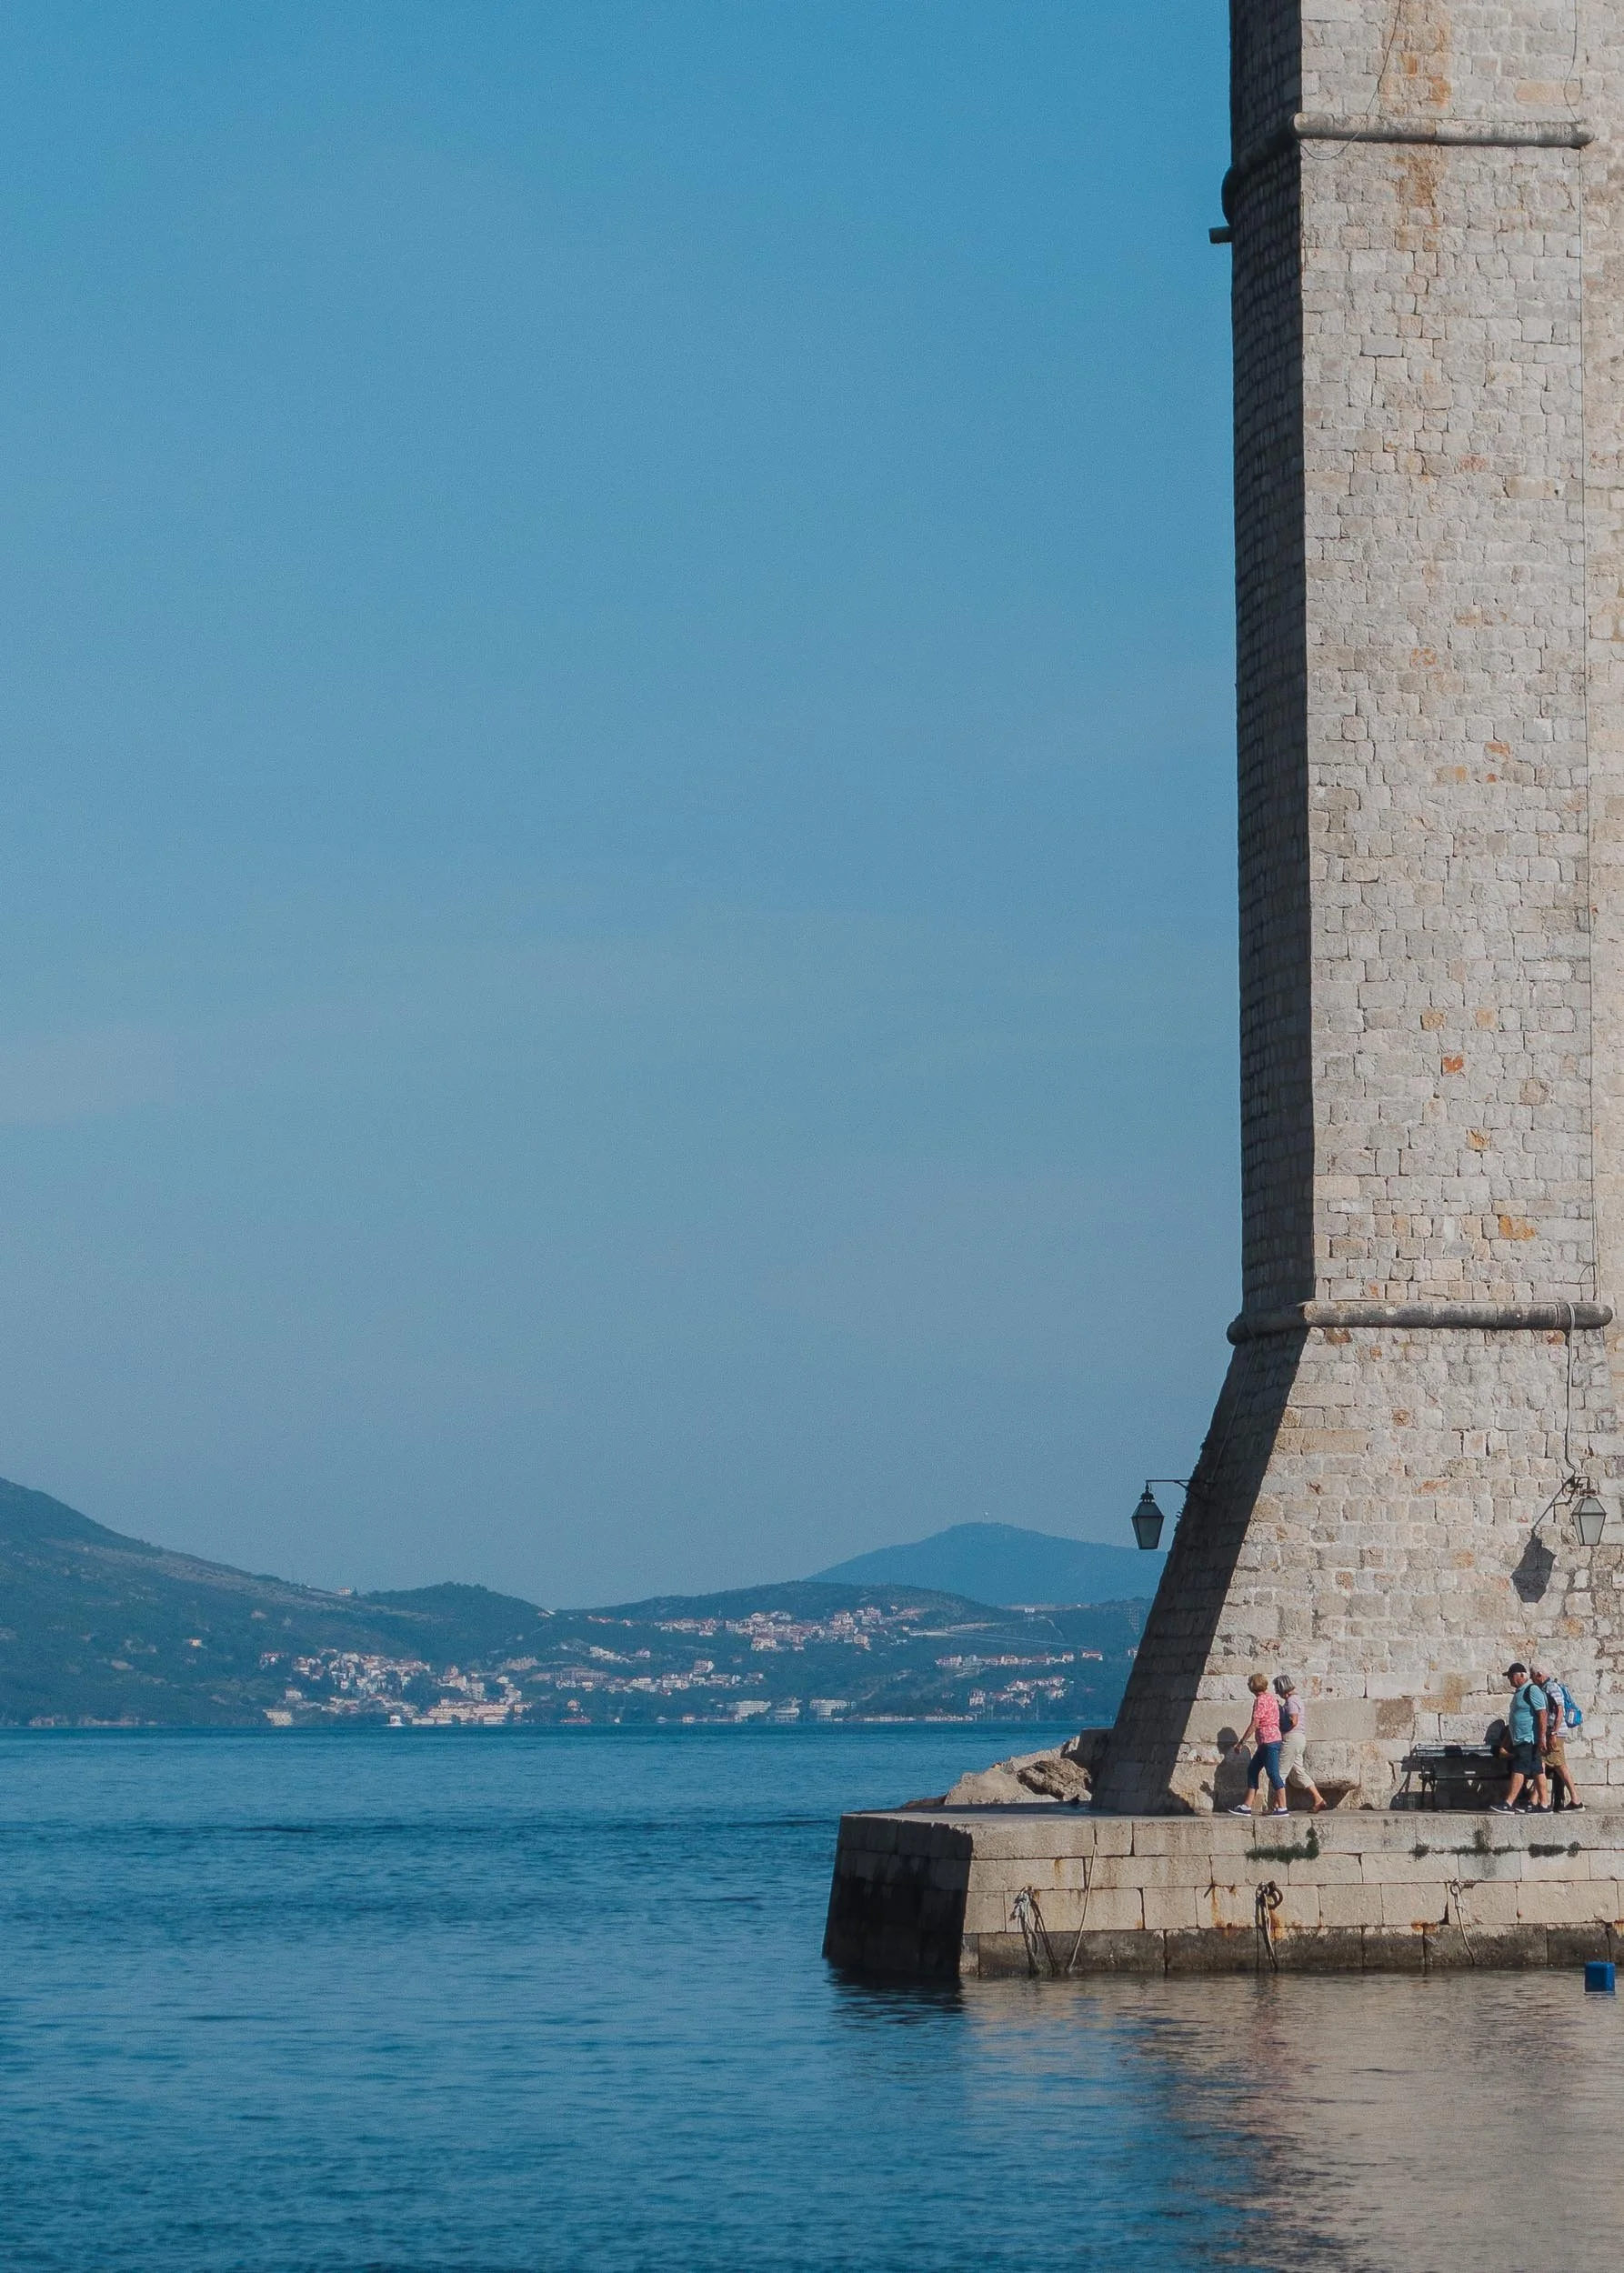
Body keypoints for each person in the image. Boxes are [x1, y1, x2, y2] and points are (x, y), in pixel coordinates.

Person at [1491, 1663, 1550, 1813]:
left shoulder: (1532, 1690)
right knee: (1537, 1771)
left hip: (1528, 1739)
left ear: (1522, 1675)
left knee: (1519, 1769)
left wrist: (1542, 1737)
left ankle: (1509, 1803)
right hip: (1521, 1739)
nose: (1510, 1680)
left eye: (1512, 1676)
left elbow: (1542, 1713)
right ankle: (1544, 1804)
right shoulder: (1520, 1692)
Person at [1226, 1671, 1287, 1816]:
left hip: (1268, 1741)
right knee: (1252, 1770)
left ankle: (1283, 1807)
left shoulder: (1260, 1700)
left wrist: (1241, 1742)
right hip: (1267, 1741)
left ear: (1253, 1686)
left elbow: (1255, 1723)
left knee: (1273, 1773)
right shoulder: (1272, 1699)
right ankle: (1246, 1806)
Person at [1531, 1664, 1584, 1812]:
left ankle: (1575, 1800)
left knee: (1558, 1765)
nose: (1531, 1679)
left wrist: (1553, 1732)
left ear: (1539, 1674)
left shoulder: (1551, 1687)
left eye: (1532, 1675)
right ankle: (1536, 1800)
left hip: (1556, 1733)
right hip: (1551, 1732)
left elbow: (1560, 1710)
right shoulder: (1546, 1688)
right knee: (1542, 1763)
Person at [1273, 1675, 1328, 1812]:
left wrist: (1281, 1719)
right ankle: (1318, 1799)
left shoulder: (1291, 1701)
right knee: (1298, 1772)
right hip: (1299, 1738)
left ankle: (1278, 1806)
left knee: (1280, 1773)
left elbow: (1293, 1721)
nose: (1276, 1692)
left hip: (1291, 1739)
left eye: (1277, 1689)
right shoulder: (1295, 1700)